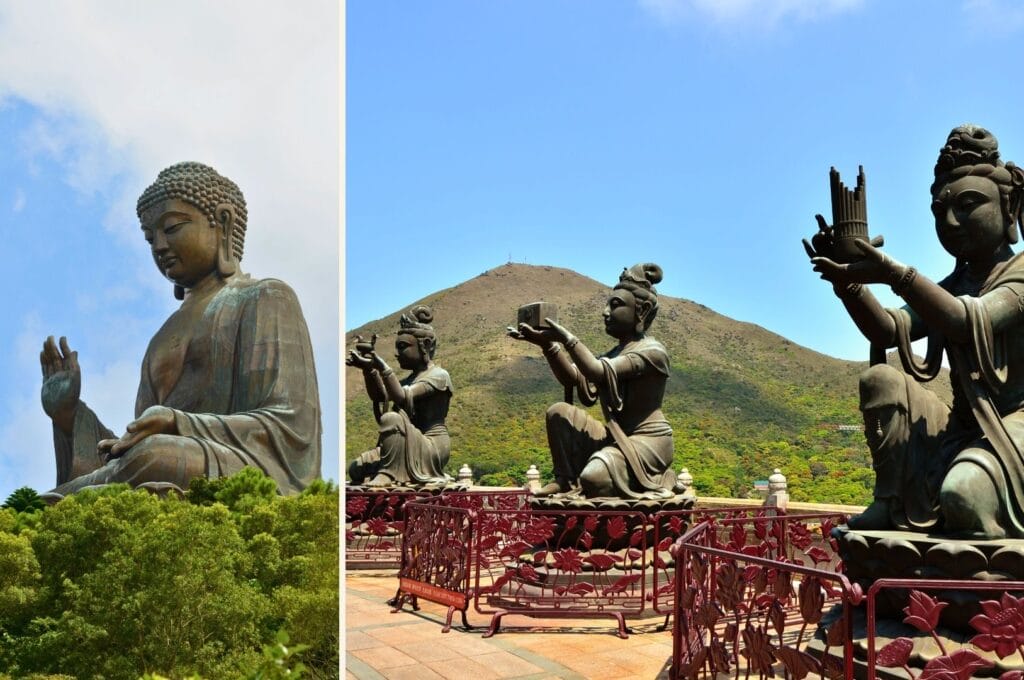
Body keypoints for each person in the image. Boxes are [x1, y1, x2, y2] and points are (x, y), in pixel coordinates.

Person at [40, 162, 322, 496]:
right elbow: (127, 450)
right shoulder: (161, 337)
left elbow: (288, 429)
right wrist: (69, 415)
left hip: (246, 468)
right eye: (150, 238)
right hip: (167, 459)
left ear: (223, 222)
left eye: (172, 228)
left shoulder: (266, 297)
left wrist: (178, 422)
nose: (159, 246)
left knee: (155, 455)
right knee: (142, 457)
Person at [806, 124, 1024, 538]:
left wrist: (895, 273)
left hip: (1017, 422)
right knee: (881, 379)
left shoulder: (1020, 274)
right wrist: (847, 283)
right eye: (940, 211)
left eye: (968, 205)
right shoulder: (953, 285)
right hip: (963, 427)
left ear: (1009, 206)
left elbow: (966, 320)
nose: (951, 221)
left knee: (963, 495)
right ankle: (888, 499)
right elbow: (889, 330)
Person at [509, 263, 675, 499]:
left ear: (642, 311)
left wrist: (567, 338)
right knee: (559, 412)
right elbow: (572, 377)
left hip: (648, 441)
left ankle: (655, 477)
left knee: (593, 478)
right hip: (613, 437)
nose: (605, 312)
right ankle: (564, 479)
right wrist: (548, 345)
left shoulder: (653, 352)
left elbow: (596, 371)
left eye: (615, 305)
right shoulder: (613, 354)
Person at [347, 306, 452, 486]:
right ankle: (390, 469)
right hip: (404, 442)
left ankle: (388, 473)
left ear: (426, 345)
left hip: (430, 445)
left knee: (392, 418)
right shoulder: (408, 380)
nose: (397, 353)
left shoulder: (439, 376)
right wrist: (369, 370)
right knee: (356, 469)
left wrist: (383, 368)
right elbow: (380, 396)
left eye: (402, 347)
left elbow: (402, 397)